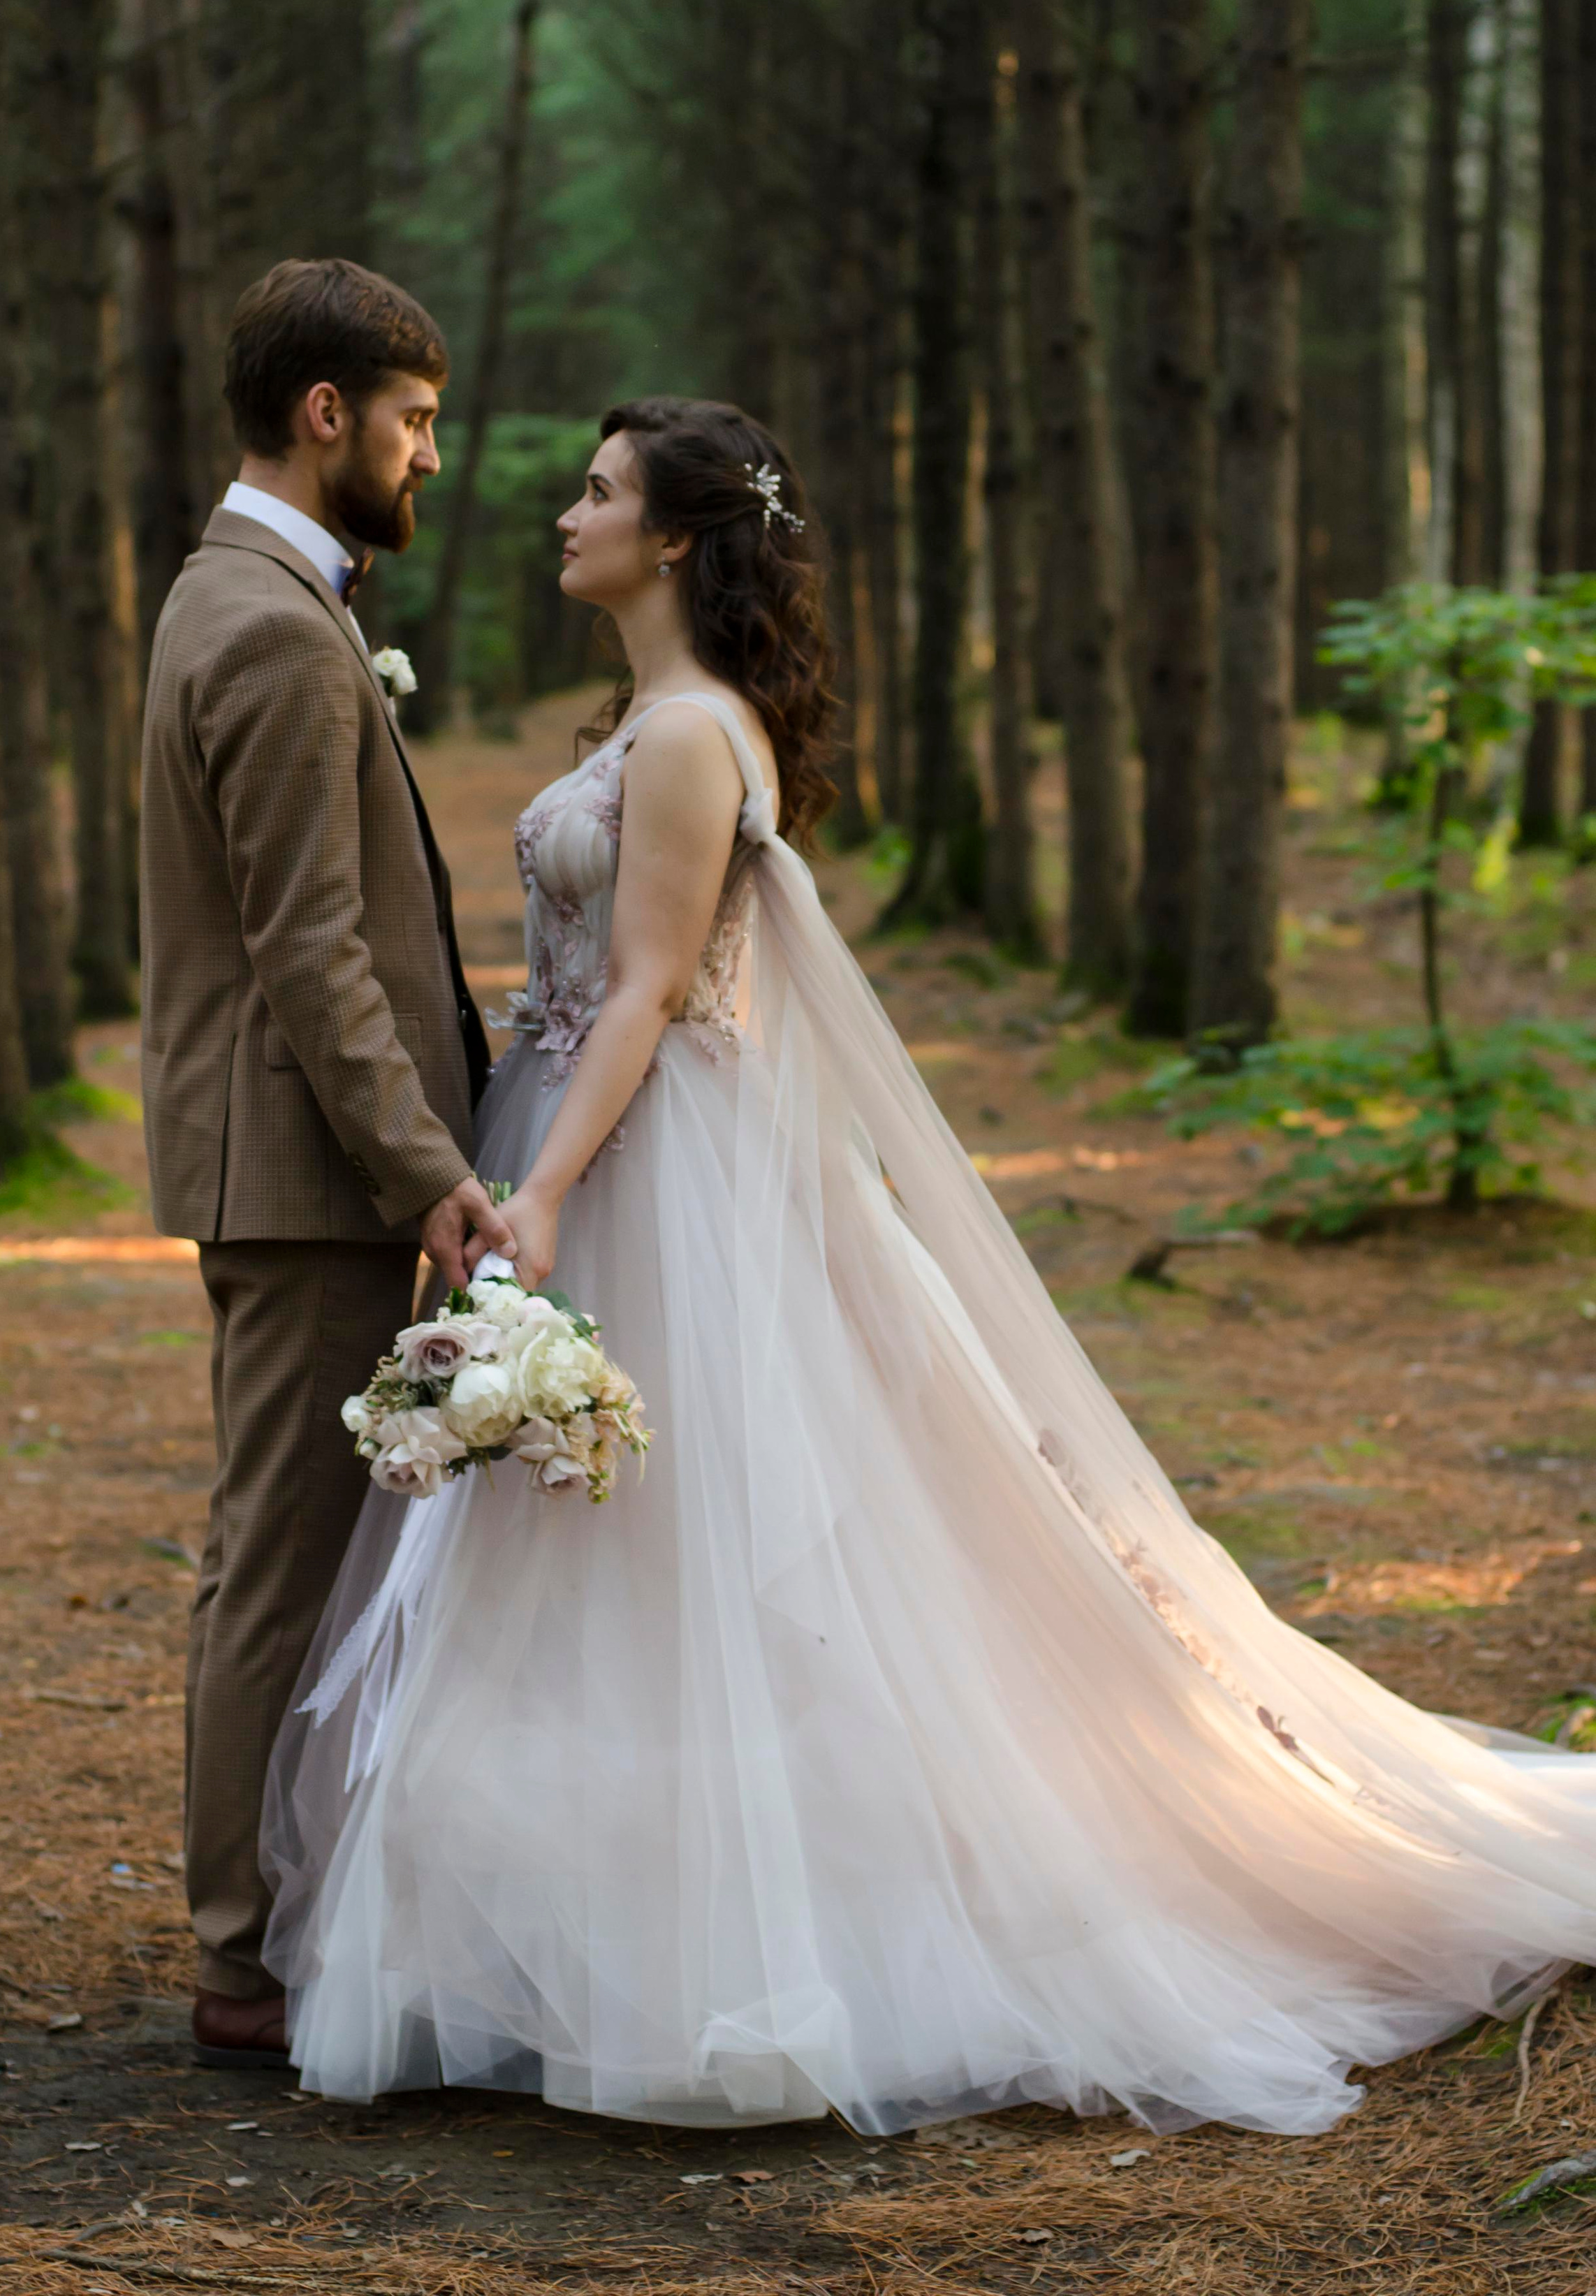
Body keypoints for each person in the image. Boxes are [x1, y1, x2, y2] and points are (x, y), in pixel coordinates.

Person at [262, 395, 1596, 2138]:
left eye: (595, 494)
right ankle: (583, 1939)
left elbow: (655, 987)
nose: (560, 513)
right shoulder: (659, 719)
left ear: (671, 539)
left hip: (645, 1164)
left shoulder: (681, 739)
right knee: (595, 1561)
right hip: (588, 1130)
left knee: (681, 1554)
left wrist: (551, 1195)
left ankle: (728, 1950)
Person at [139, 258, 515, 2069]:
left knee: (287, 1553)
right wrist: (419, 1165)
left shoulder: (245, 592)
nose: (428, 457)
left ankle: (283, 1909)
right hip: (303, 1177)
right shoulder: (281, 629)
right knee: (276, 1563)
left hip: (293, 1168)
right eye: (415, 420)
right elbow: (310, 950)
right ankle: (238, 1956)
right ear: (326, 415)